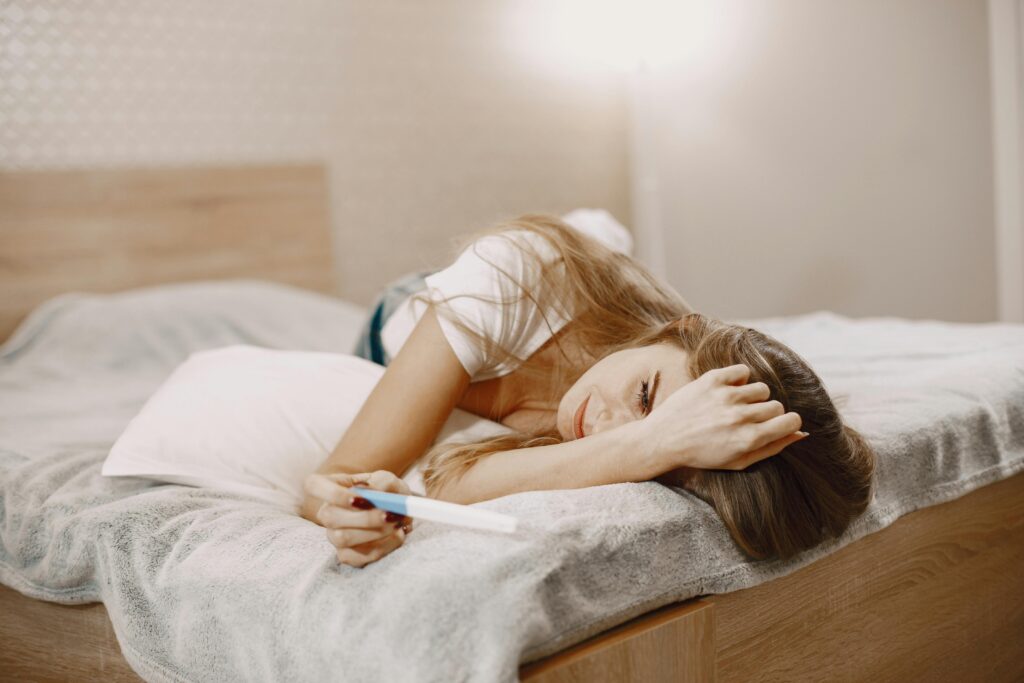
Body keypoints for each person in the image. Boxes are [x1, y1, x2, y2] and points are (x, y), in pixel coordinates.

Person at [301, 211, 876, 568]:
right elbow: (325, 484)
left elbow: (455, 480)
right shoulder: (504, 284)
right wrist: (649, 445)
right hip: (409, 314)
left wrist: (659, 444)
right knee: (558, 252)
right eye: (647, 399)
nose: (601, 428)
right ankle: (591, 233)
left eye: (664, 450)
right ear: (681, 329)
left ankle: (599, 234)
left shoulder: (654, 401)